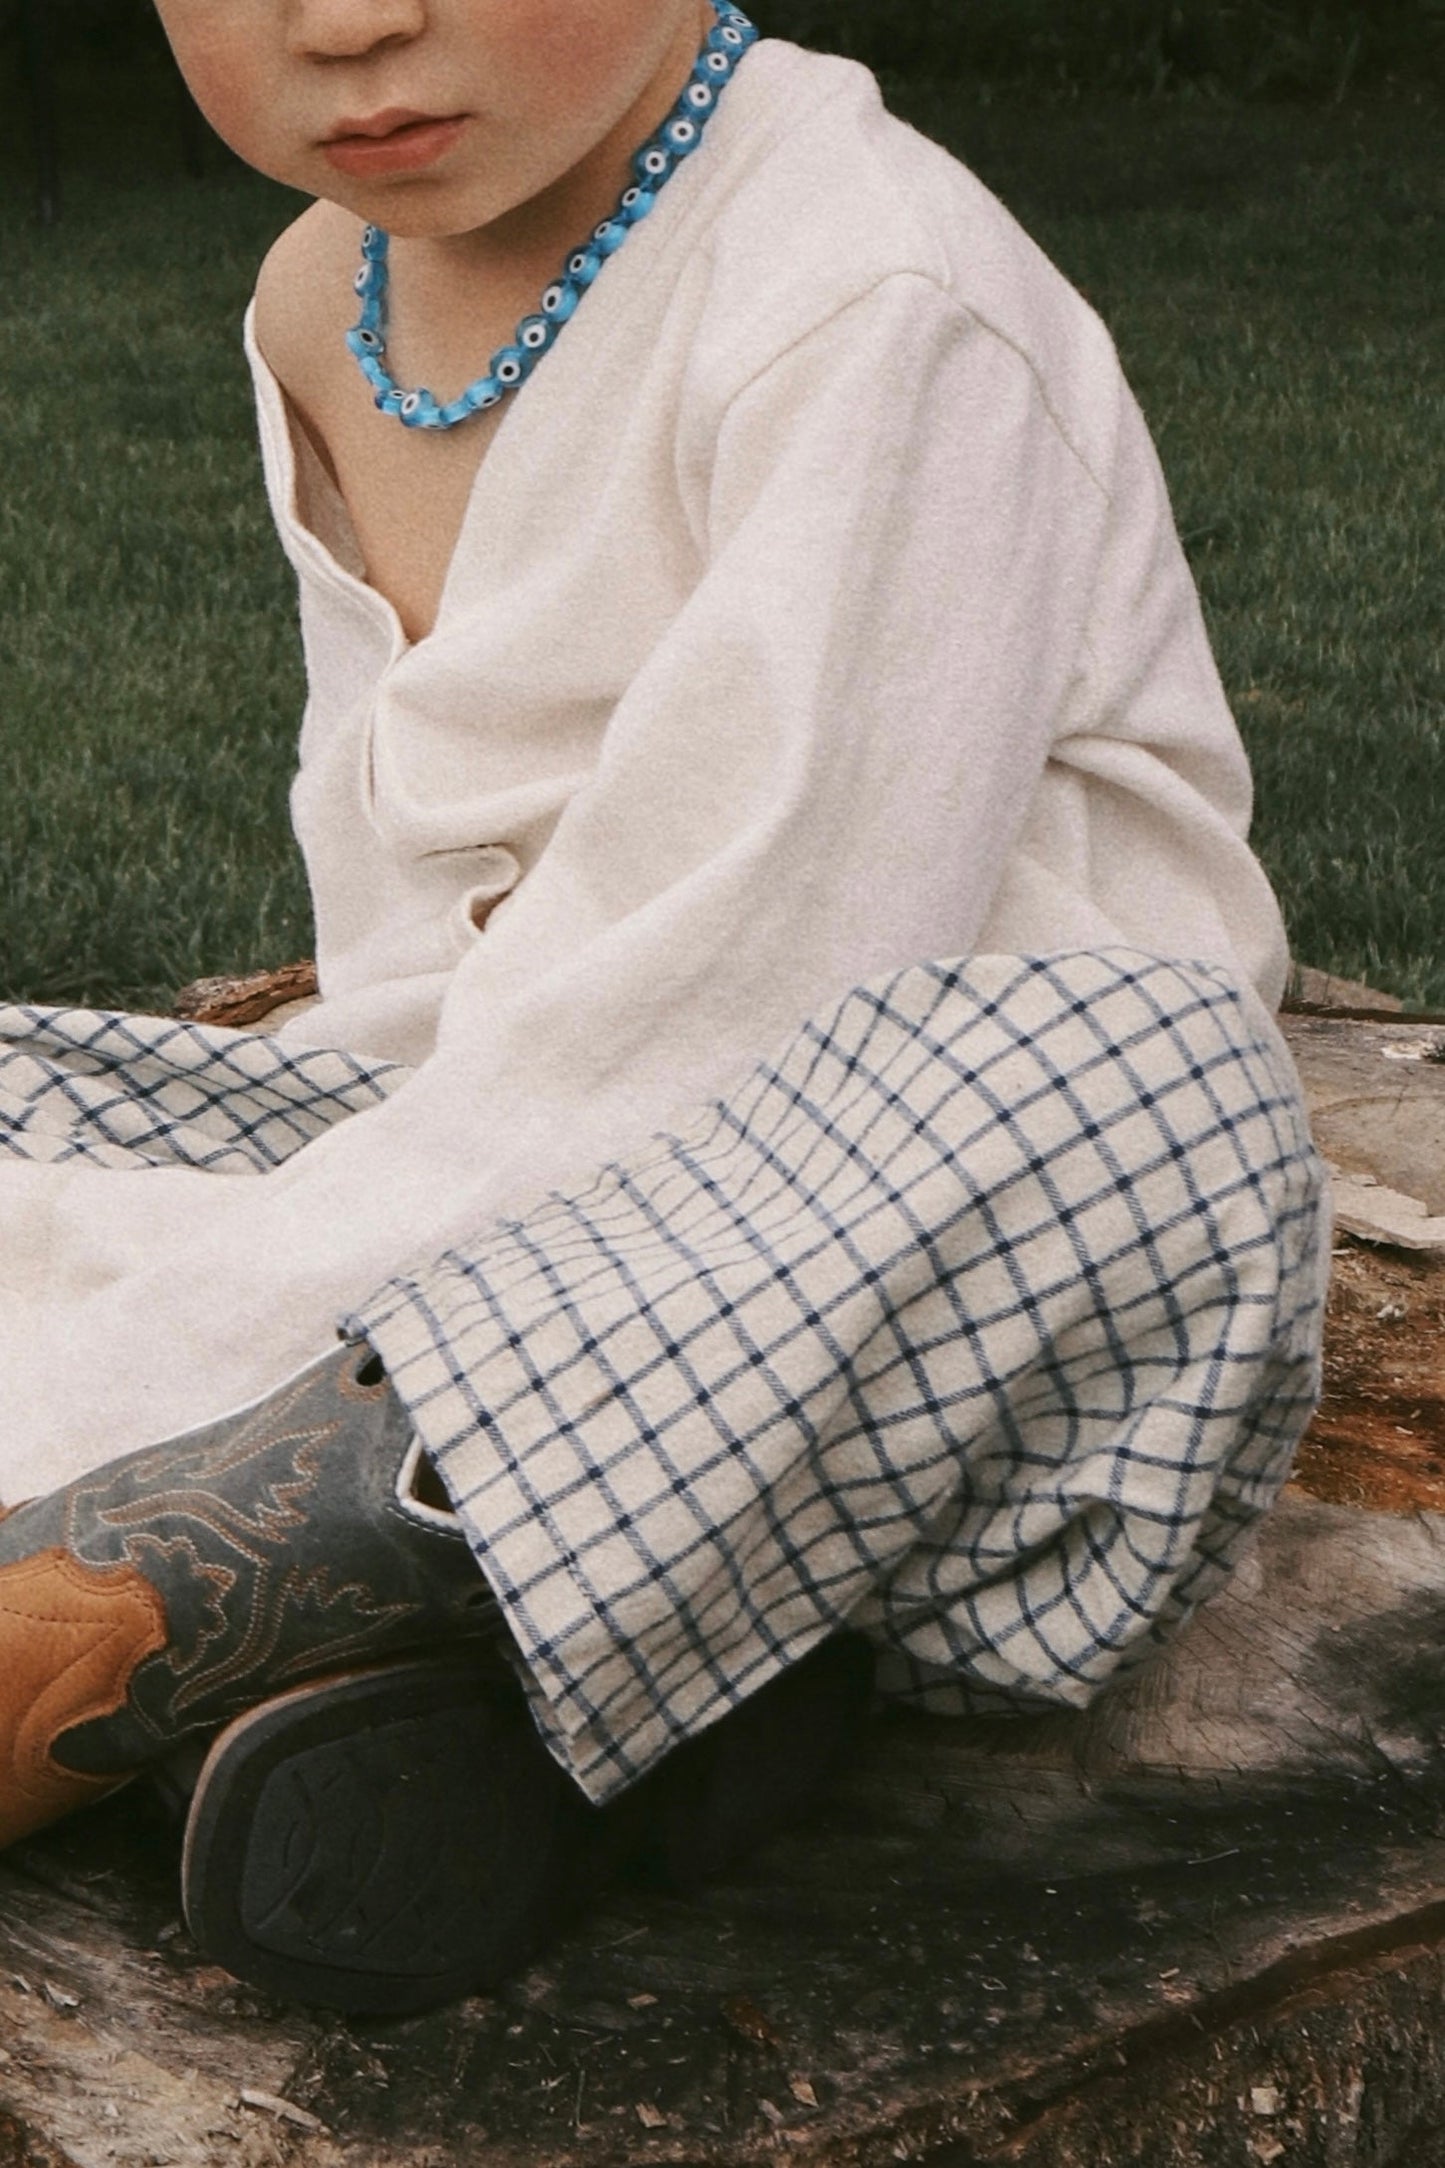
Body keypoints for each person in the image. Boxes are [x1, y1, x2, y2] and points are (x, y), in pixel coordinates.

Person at [0, 0, 1327, 2014]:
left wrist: (125, 1355)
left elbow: (753, 988)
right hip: (528, 1175)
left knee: (1149, 1077)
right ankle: (518, 1674)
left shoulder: (864, 283)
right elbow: (427, 941)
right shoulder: (316, 299)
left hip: (924, 1282)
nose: (348, 20)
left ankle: (135, 1588)